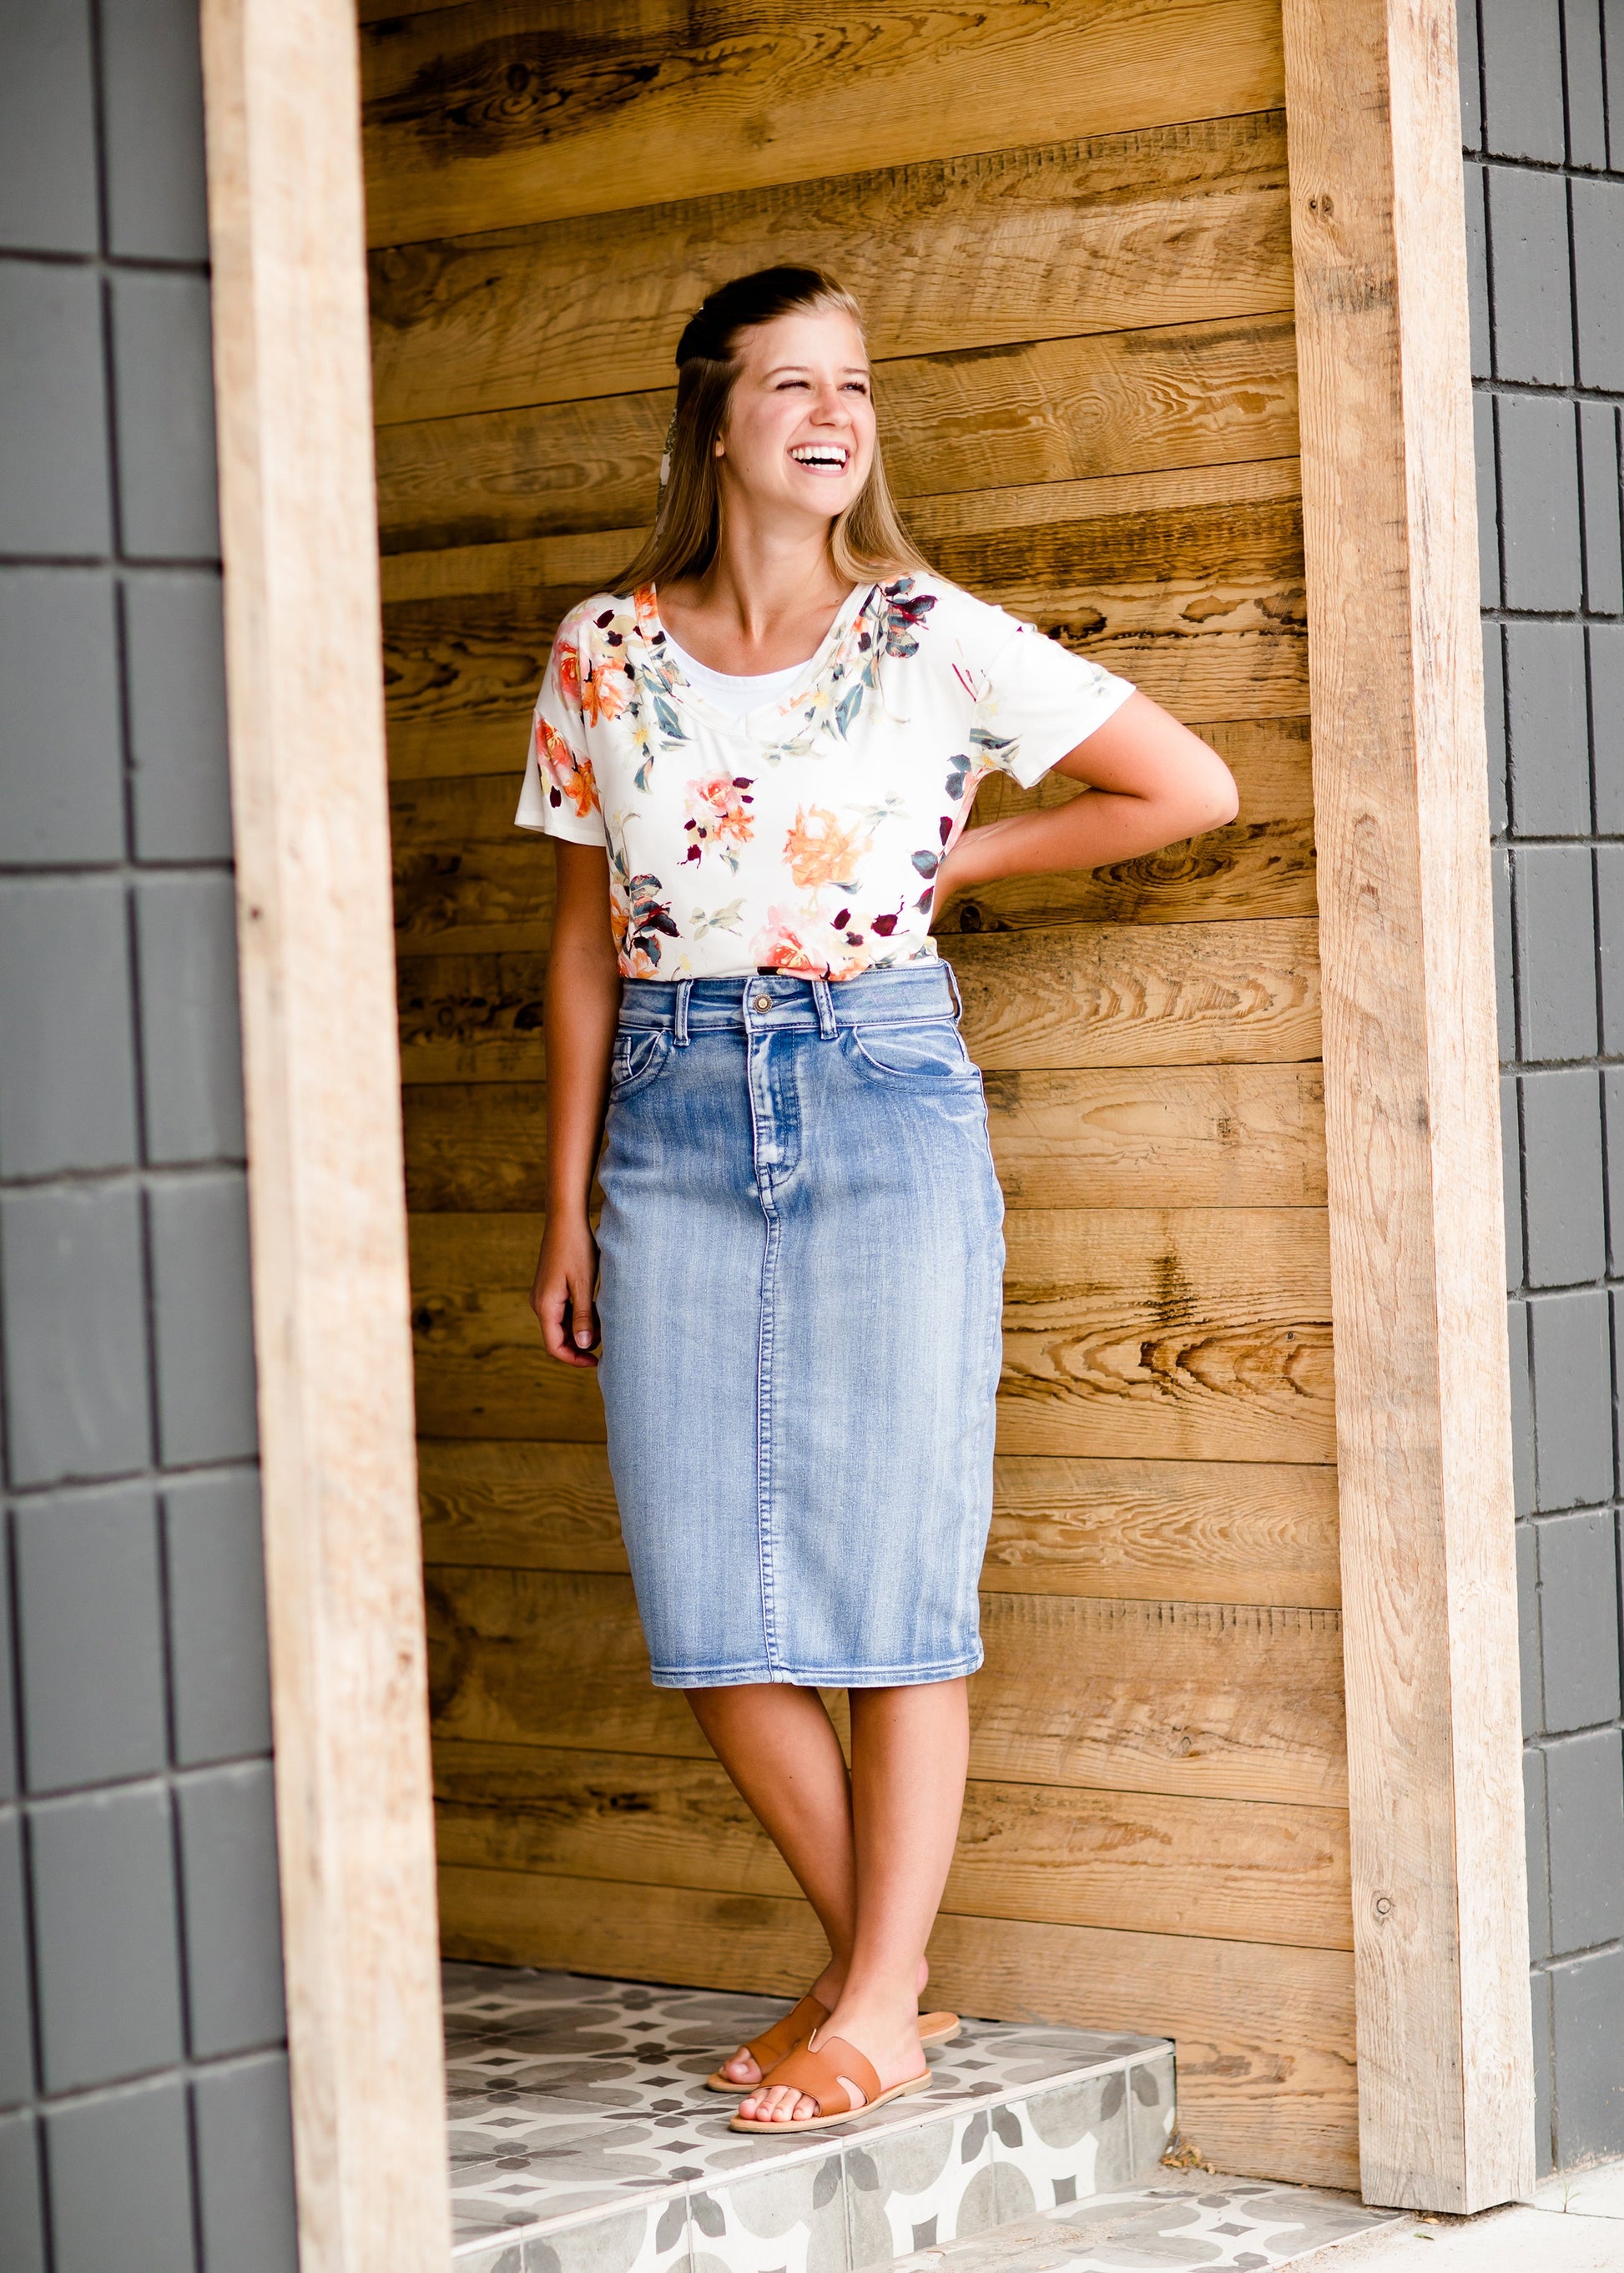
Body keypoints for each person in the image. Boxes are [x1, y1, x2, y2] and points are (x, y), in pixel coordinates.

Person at [521, 267, 1237, 2132]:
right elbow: (584, 939)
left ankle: (869, 2007)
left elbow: (1185, 785)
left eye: (855, 385)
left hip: (877, 1090)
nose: (832, 415)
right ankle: (880, 1985)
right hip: (671, 1111)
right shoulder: (604, 645)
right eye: (789, 385)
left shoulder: (924, 635)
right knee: (708, 1596)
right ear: (712, 412)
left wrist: (962, 859)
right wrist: (563, 1205)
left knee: (897, 1588)